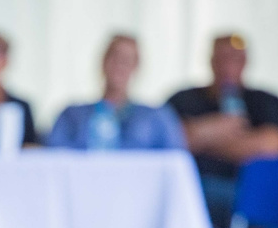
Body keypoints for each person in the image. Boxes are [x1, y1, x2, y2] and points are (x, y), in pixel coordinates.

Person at [168, 34, 278, 228]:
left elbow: (269, 145)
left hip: (251, 201)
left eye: (235, 58)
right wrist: (226, 135)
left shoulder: (265, 101)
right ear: (209, 60)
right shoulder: (184, 99)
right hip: (194, 202)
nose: (227, 65)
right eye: (221, 57)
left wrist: (207, 137)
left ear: (246, 62)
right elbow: (172, 139)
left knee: (270, 217)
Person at [47, 34, 185, 150]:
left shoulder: (157, 118)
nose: (119, 65)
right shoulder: (72, 116)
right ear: (103, 61)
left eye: (127, 60)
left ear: (136, 67)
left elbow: (174, 162)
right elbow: (54, 158)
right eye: (114, 57)